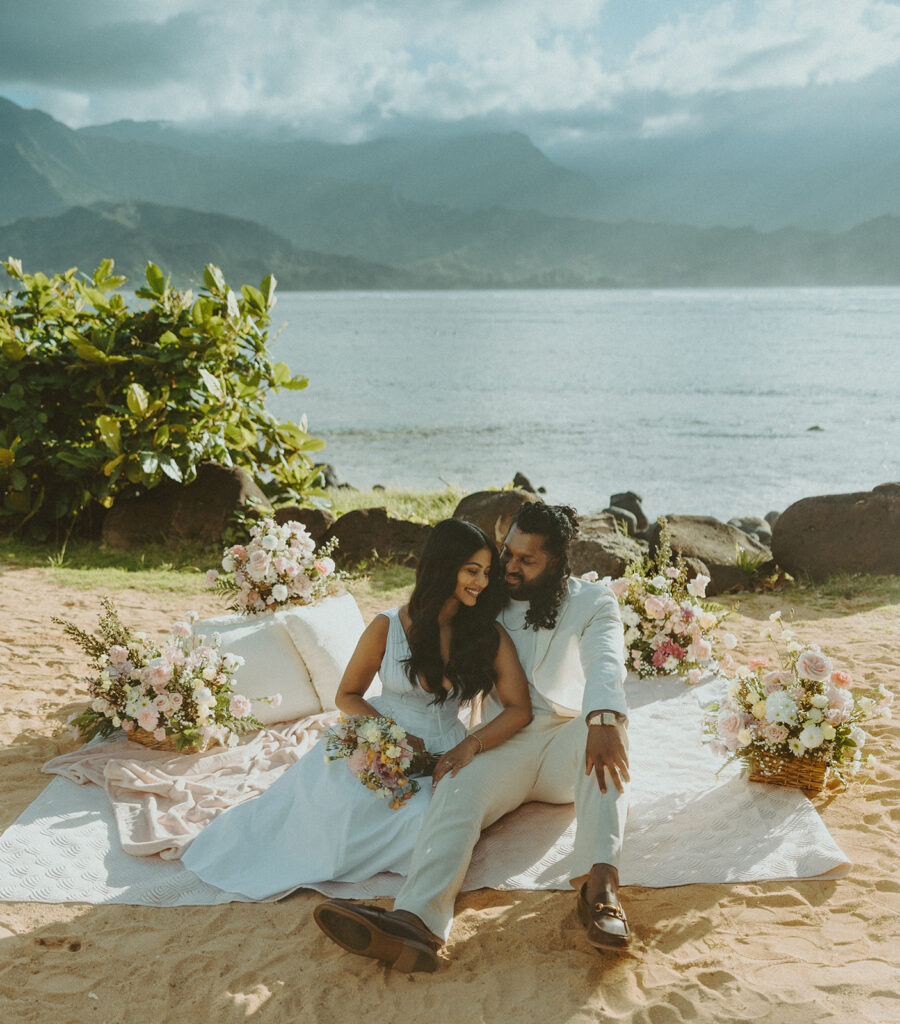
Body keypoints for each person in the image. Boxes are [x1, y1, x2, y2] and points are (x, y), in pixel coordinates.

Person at [315, 501, 630, 971]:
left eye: (527, 559)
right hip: (503, 738)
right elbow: (434, 608)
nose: (510, 567)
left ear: (556, 562)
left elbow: (606, 662)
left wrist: (604, 718)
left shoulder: (594, 602)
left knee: (607, 741)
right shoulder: (486, 595)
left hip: (565, 736)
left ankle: (600, 892)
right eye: (508, 553)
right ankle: (416, 923)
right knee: (455, 783)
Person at [181, 518, 532, 923]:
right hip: (377, 736)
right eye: (472, 570)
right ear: (443, 567)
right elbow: (347, 695)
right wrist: (390, 735)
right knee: (339, 812)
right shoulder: (388, 626)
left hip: (445, 752)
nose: (482, 582)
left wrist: (470, 745)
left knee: (427, 824)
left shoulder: (487, 634)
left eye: (487, 572)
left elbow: (519, 708)